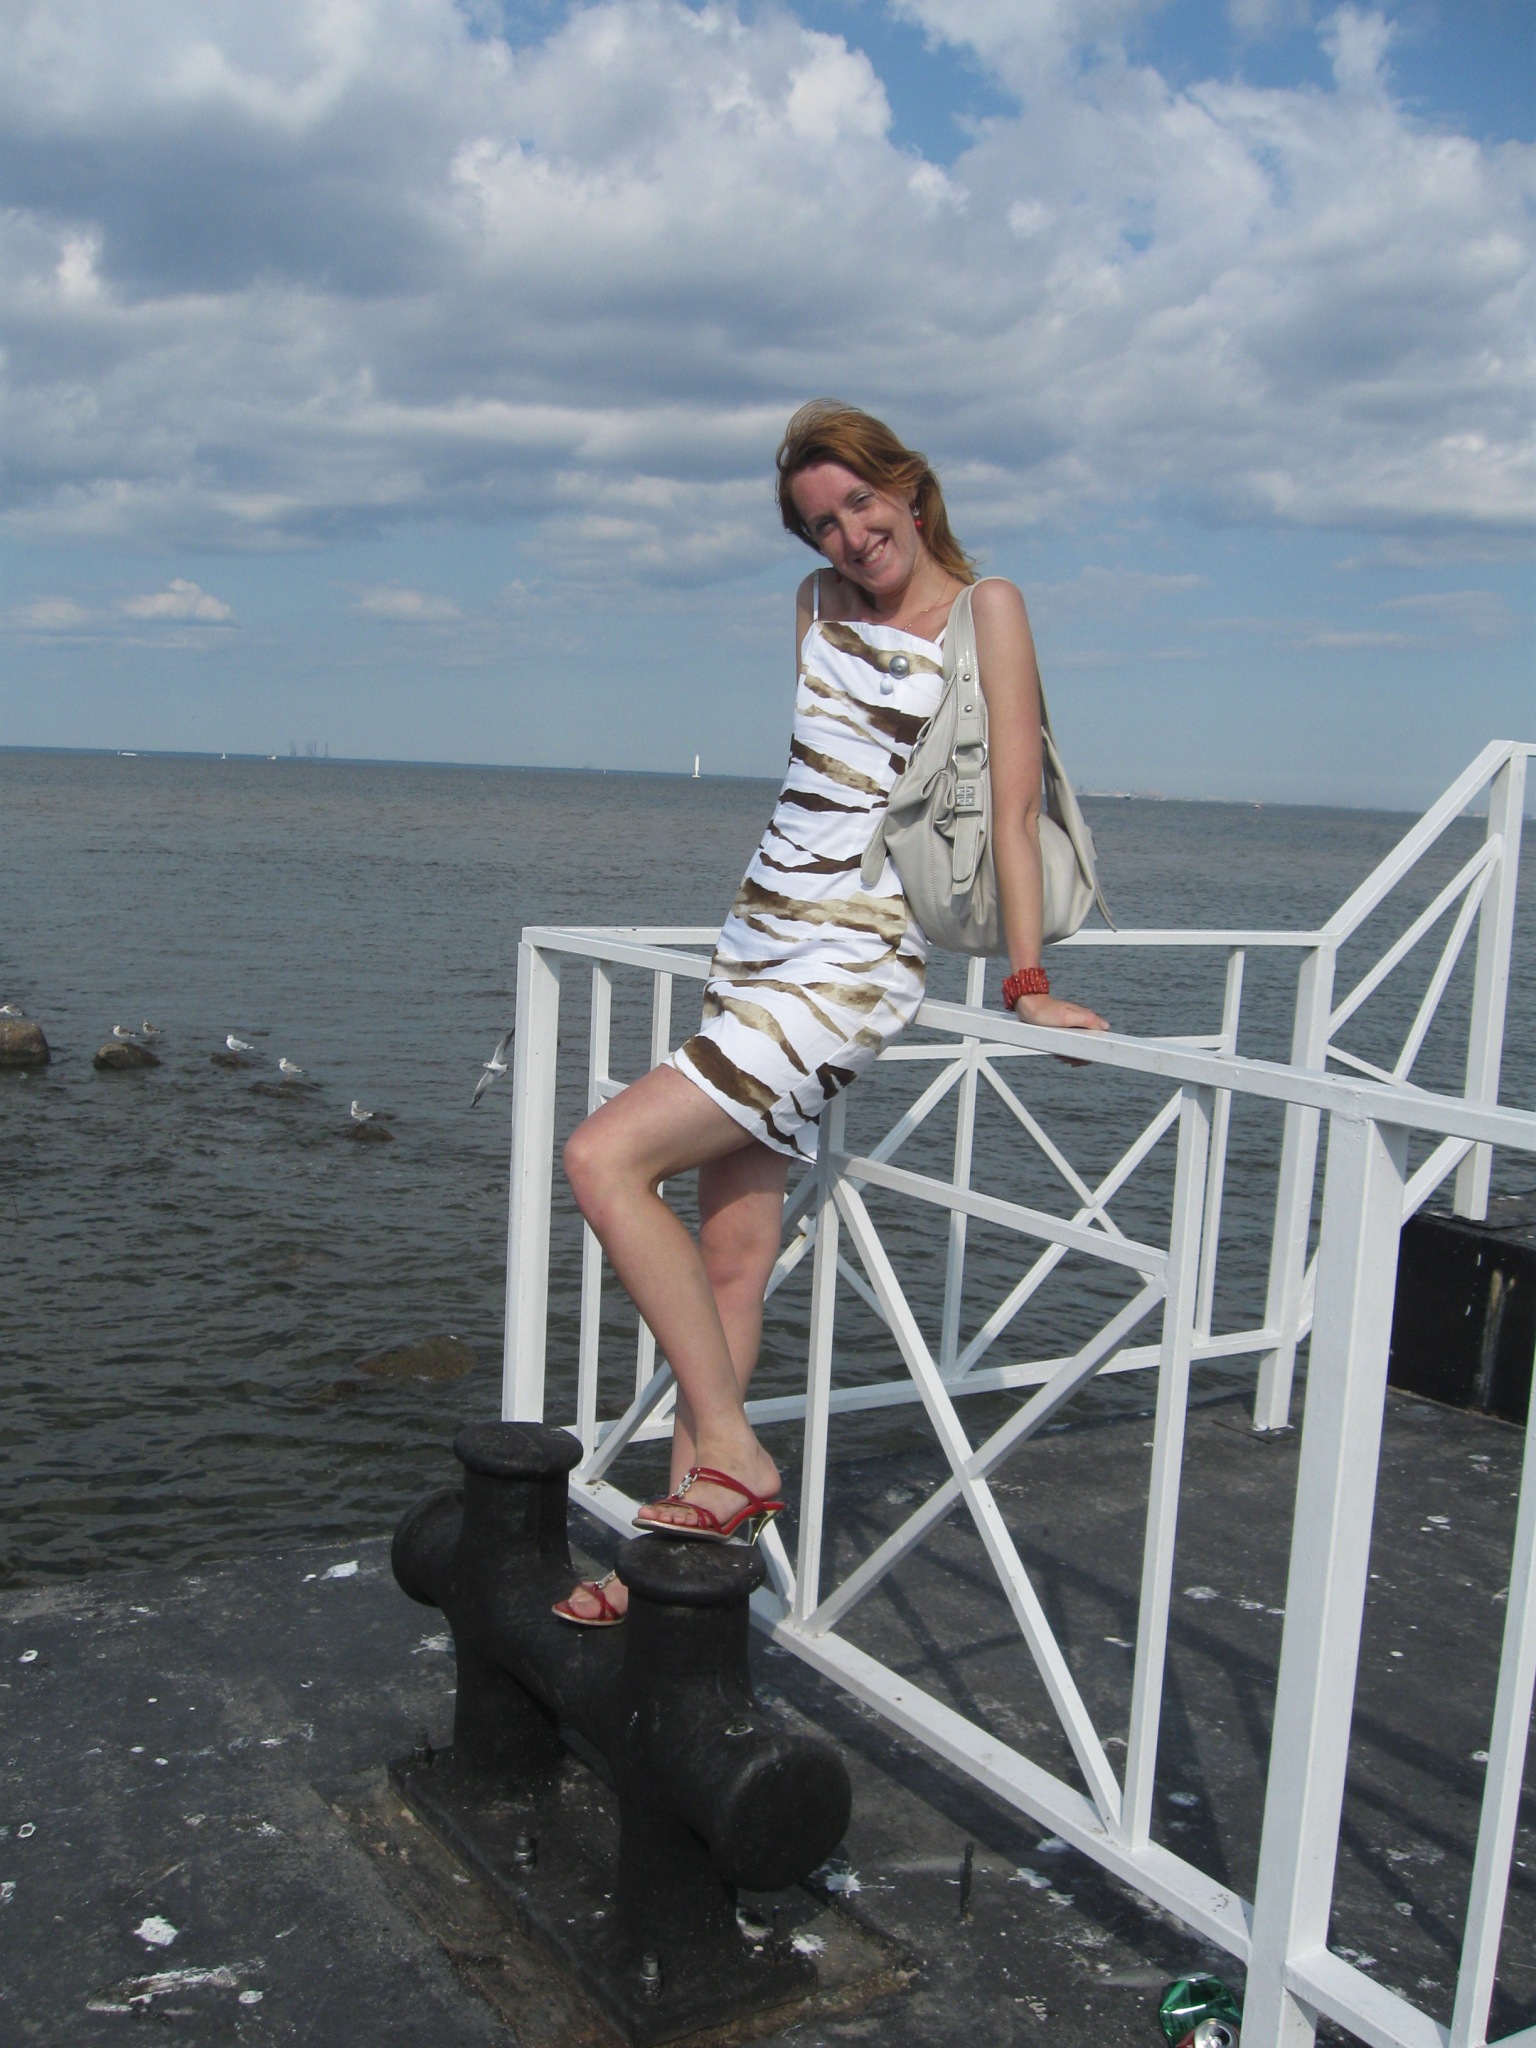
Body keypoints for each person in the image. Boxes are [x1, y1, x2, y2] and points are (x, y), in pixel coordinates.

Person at [554, 400, 1107, 1625]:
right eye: (822, 524)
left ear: (909, 488)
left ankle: (733, 1453)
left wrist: (1026, 982)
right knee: (730, 1262)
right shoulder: (814, 609)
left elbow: (1011, 808)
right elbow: (821, 779)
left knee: (602, 1157)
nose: (851, 536)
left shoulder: (988, 609)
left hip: (851, 965)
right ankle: (668, 1562)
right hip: (756, 935)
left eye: (862, 501)